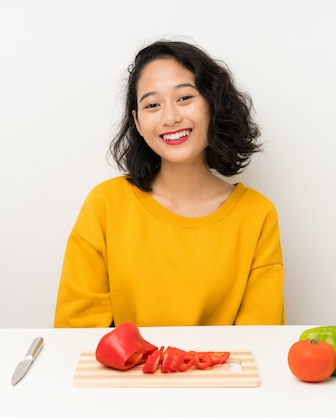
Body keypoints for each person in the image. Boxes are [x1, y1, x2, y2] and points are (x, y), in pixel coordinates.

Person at [54, 40, 285, 328]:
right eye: (152, 105)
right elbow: (76, 335)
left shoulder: (257, 214)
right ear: (138, 123)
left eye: (185, 98)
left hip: (218, 374)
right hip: (126, 374)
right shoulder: (105, 204)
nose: (171, 117)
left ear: (213, 105)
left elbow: (259, 342)